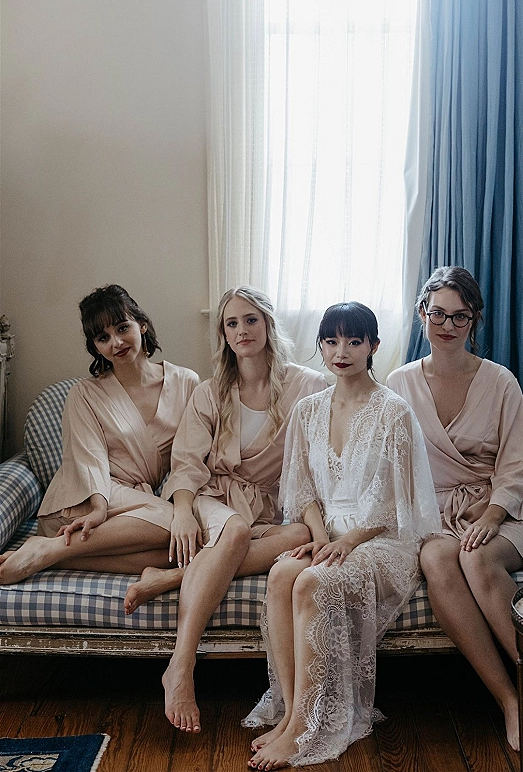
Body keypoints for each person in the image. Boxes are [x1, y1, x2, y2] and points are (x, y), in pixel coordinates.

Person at [244, 302, 441, 769]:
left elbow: (398, 505)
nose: (341, 351)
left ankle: (305, 727)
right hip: (328, 535)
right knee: (282, 575)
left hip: (383, 540)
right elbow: (301, 491)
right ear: (320, 346)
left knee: (312, 582)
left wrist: (348, 542)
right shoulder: (308, 410)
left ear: (373, 346)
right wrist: (318, 536)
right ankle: (290, 714)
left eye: (354, 341)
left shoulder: (393, 411)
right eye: (331, 341)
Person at [387, 266, 523, 755]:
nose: (447, 325)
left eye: (460, 316)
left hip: (505, 507)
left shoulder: (500, 381)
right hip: (437, 513)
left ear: (475, 320)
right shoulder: (399, 383)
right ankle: (509, 699)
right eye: (438, 314)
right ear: (422, 314)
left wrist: (492, 514)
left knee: (476, 557)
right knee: (437, 558)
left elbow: (518, 463)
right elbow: (395, 465)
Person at [128, 286, 328, 735]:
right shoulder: (210, 391)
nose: (242, 330)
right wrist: (182, 512)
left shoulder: (307, 386)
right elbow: (186, 464)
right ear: (223, 332)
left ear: (268, 324)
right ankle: (180, 666)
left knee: (300, 535)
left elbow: (322, 457)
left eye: (250, 320)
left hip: (267, 508)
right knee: (234, 532)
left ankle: (171, 577)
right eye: (232, 323)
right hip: (212, 498)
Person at [0, 284, 200, 614]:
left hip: (134, 511)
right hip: (82, 501)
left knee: (179, 547)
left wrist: (188, 503)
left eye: (122, 328)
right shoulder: (85, 393)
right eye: (102, 337)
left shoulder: (186, 382)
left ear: (142, 325)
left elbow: (191, 454)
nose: (115, 343)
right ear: (94, 346)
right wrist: (98, 508)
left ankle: (51, 554)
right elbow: (88, 459)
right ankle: (52, 547)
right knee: (171, 519)